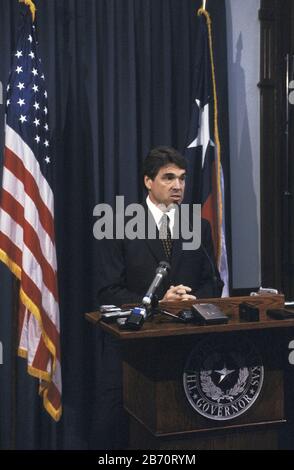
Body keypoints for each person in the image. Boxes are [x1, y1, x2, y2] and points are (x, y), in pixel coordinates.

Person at [97, 146, 223, 307]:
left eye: (182, 178)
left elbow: (213, 282)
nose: (178, 186)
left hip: (190, 325)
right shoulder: (117, 228)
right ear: (148, 181)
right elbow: (109, 292)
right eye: (168, 178)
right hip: (141, 328)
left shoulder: (198, 226)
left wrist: (190, 301)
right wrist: (159, 303)